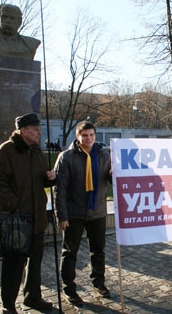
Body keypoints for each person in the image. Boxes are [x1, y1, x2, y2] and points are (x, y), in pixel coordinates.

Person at [0, 113, 56, 313]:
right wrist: (14, 204)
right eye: (35, 129)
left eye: (39, 128)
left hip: (37, 218)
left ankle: (33, 297)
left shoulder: (37, 152)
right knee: (13, 265)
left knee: (34, 263)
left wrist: (50, 178)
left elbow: (41, 180)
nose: (39, 132)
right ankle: (8, 305)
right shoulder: (4, 152)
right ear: (23, 130)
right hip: (16, 219)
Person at [53, 121, 112, 306]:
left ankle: (99, 283)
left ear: (95, 136)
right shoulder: (67, 157)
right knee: (70, 252)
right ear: (77, 137)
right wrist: (61, 216)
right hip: (74, 212)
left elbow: (111, 180)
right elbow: (59, 189)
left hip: (98, 211)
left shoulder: (104, 155)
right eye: (84, 135)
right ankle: (68, 289)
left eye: (91, 135)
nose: (88, 139)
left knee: (98, 251)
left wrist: (114, 174)